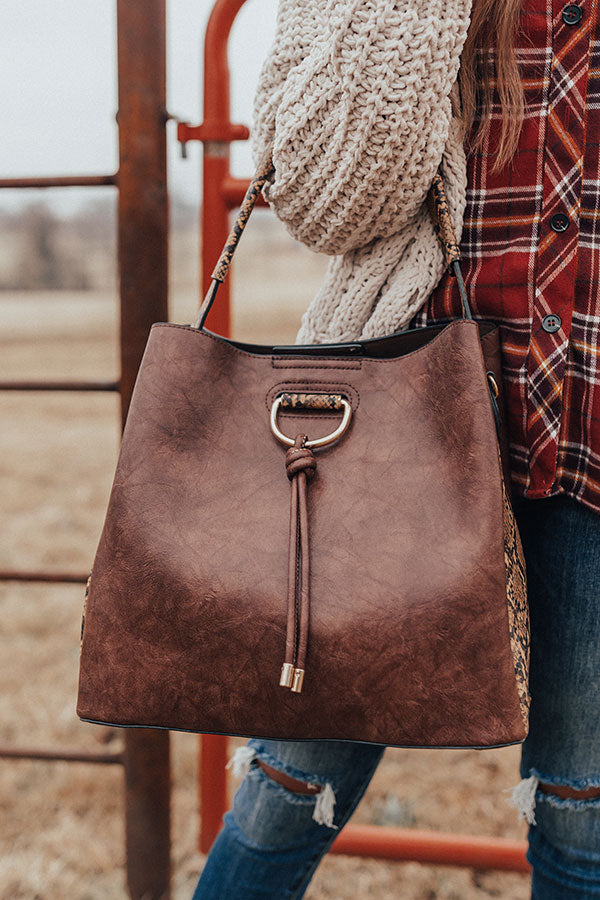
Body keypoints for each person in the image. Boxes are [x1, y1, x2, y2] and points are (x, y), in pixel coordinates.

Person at [193, 0, 600, 896]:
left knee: (585, 806)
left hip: (591, 421)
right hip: (406, 415)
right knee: (290, 778)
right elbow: (321, 198)